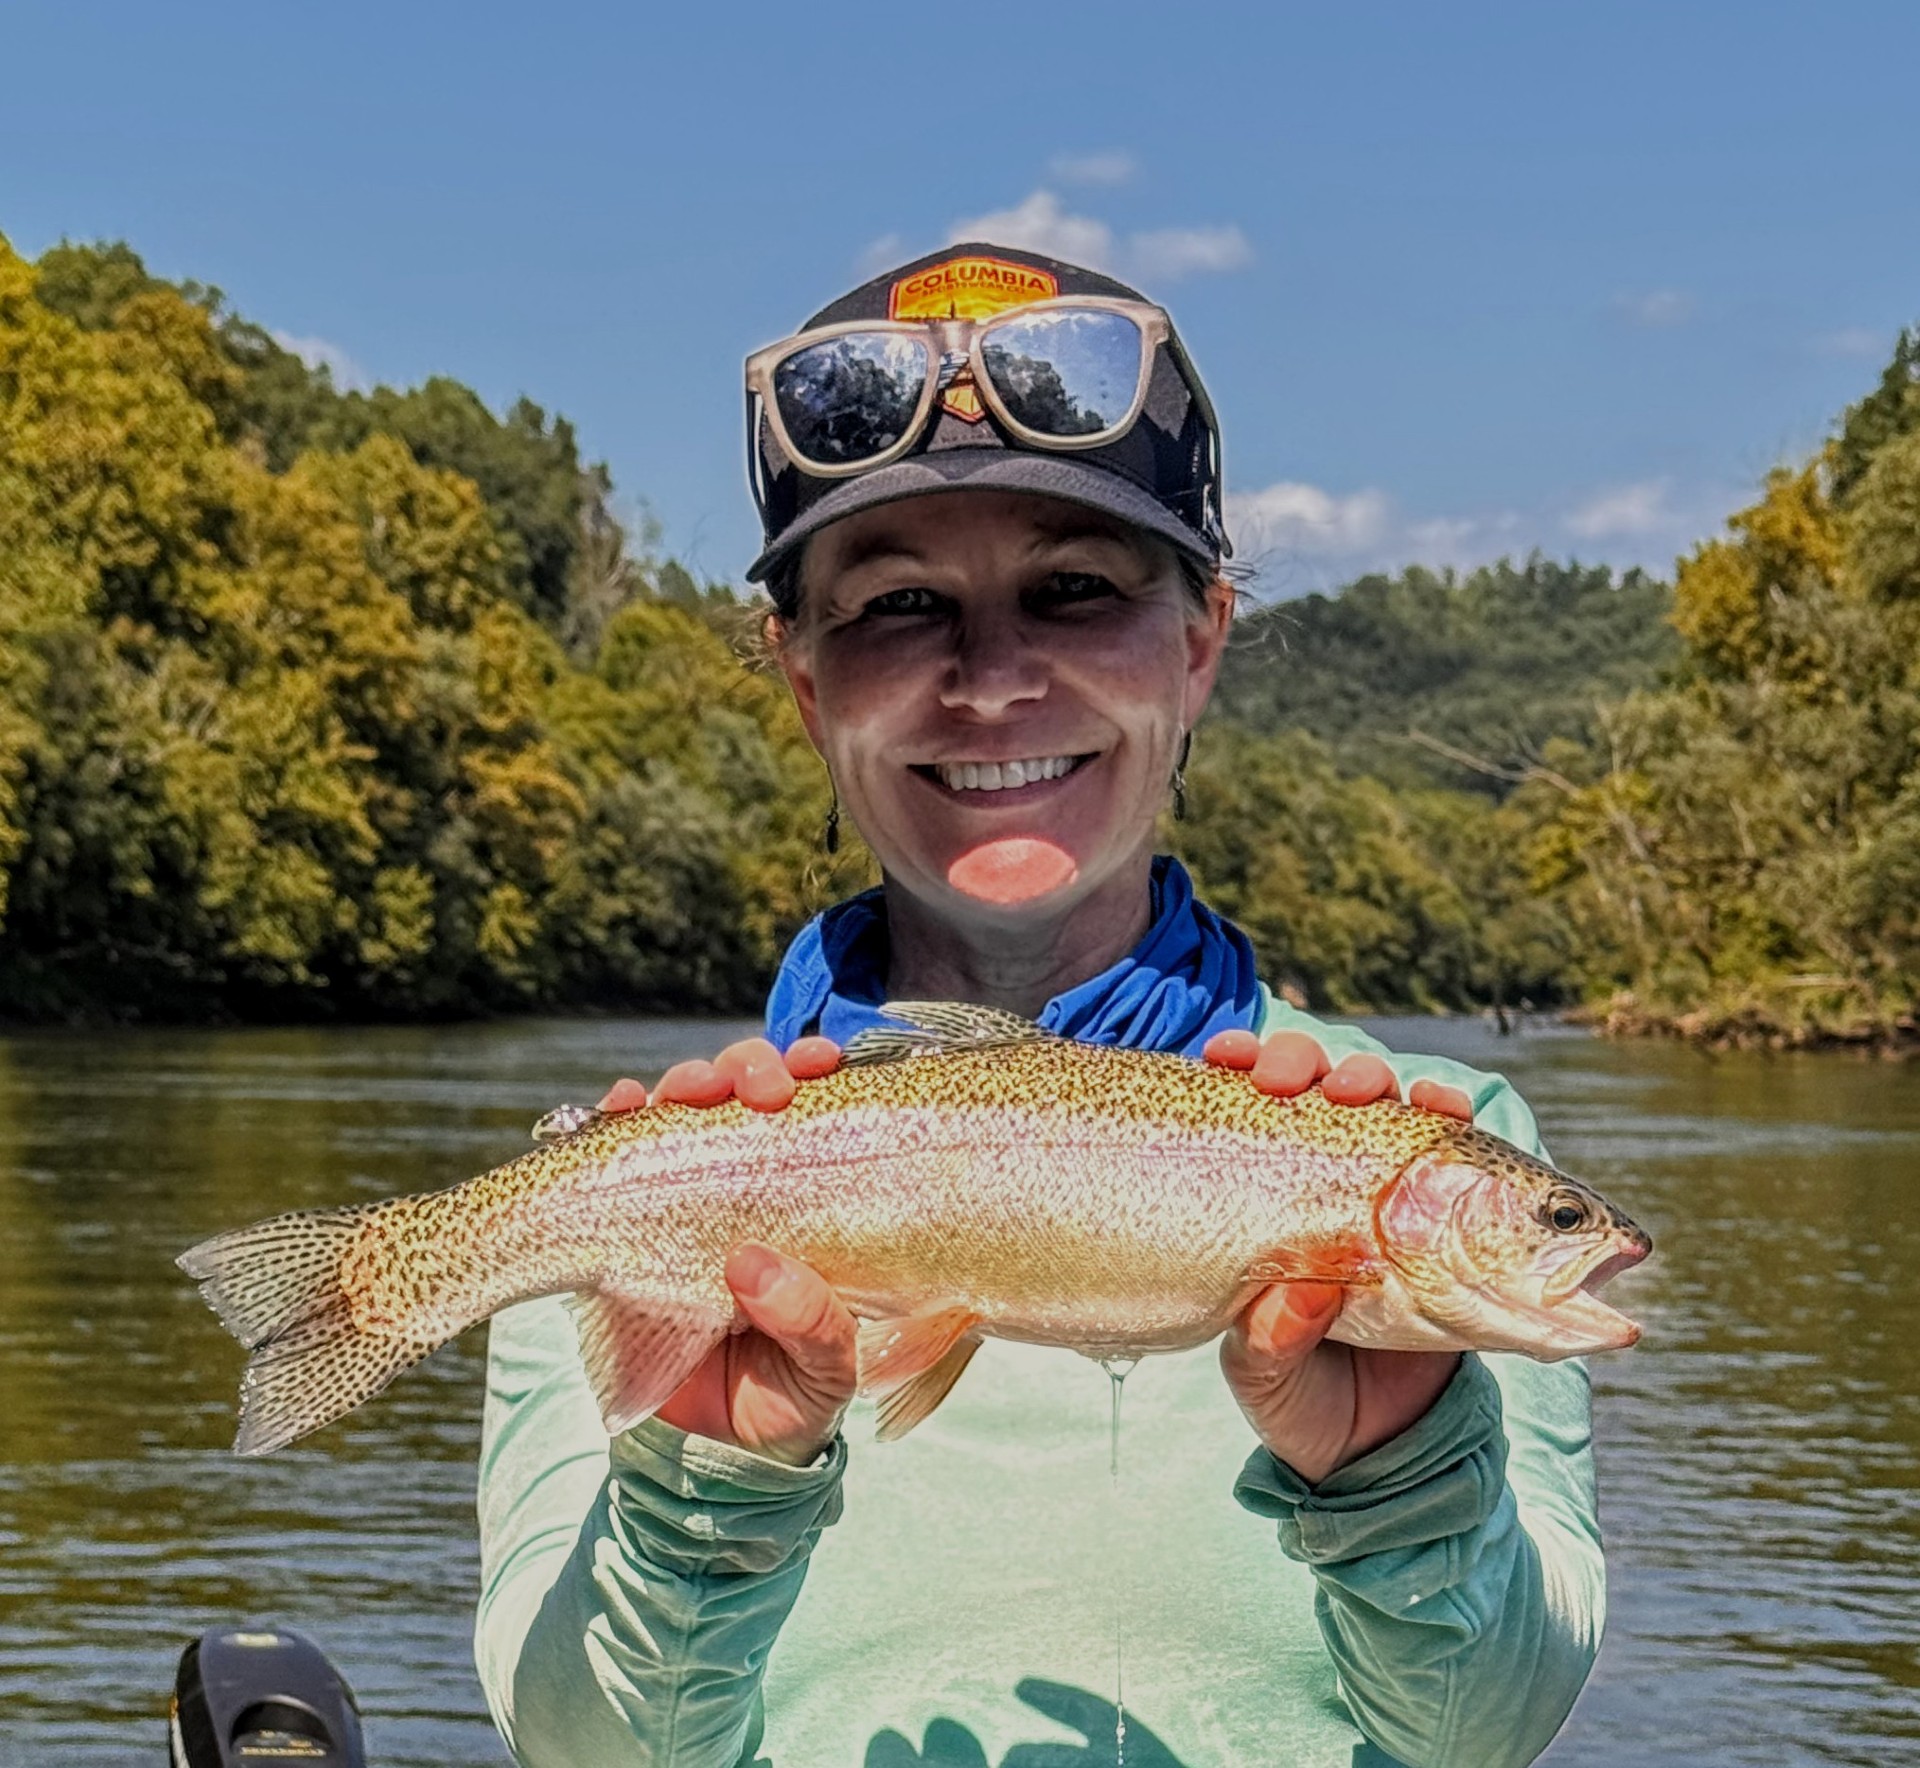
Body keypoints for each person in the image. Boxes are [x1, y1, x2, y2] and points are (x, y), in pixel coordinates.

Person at [473, 243, 1605, 1768]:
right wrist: (706, 1491)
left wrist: (1400, 1466)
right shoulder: (658, 1188)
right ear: (804, 683)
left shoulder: (1435, 1131)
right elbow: (587, 1755)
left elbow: (1481, 1739)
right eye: (895, 605)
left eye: (1074, 589)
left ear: (1201, 640)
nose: (992, 676)